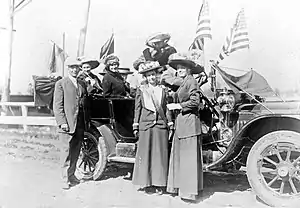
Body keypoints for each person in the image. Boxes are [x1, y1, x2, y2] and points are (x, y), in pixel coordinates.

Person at [132, 61, 174, 195]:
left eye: (154, 75)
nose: (152, 78)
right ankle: (145, 183)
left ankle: (159, 183)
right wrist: (136, 124)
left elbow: (166, 108)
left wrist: (170, 122)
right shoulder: (142, 90)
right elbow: (137, 108)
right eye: (149, 76)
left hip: (160, 125)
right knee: (145, 154)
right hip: (146, 125)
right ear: (146, 77)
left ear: (157, 76)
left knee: (159, 155)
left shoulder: (163, 90)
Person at [166, 57, 203, 201]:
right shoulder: (183, 82)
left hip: (189, 122)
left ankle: (188, 191)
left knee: (188, 158)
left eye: (182, 68)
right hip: (181, 122)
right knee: (181, 157)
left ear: (188, 69)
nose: (179, 70)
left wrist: (178, 106)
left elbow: (195, 101)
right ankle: (180, 187)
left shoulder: (191, 81)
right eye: (178, 68)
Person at [53, 57, 90, 190]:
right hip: (67, 125)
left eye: (77, 67)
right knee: (66, 152)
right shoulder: (61, 84)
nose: (75, 70)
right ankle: (64, 178)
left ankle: (72, 175)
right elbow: (57, 106)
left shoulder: (81, 84)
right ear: (68, 68)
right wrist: (62, 122)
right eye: (72, 67)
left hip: (79, 124)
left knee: (76, 151)